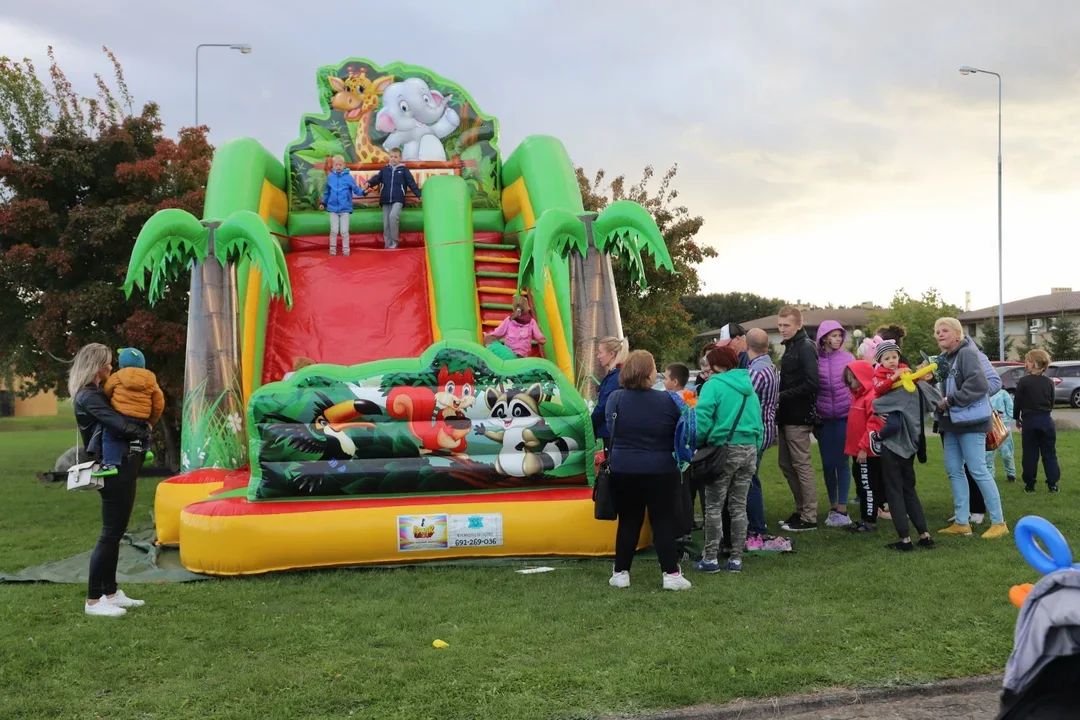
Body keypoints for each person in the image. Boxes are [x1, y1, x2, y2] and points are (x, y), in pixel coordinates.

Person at [70, 343, 151, 617]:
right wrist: (143, 430)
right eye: (107, 362)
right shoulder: (88, 396)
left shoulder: (97, 392)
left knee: (115, 533)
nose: (111, 367)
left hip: (122, 466)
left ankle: (110, 592)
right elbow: (116, 423)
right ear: (96, 366)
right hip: (112, 467)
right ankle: (93, 601)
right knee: (110, 534)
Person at [605, 350, 690, 591]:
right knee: (662, 521)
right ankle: (671, 574)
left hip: (623, 467)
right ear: (648, 373)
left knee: (628, 520)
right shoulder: (667, 400)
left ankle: (621, 572)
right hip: (660, 468)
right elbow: (679, 430)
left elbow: (611, 428)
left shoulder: (615, 398)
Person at [933, 318, 1009, 539]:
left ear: (958, 334)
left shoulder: (967, 354)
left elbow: (979, 385)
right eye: (937, 331)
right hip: (950, 423)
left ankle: (999, 522)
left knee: (978, 470)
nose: (939, 334)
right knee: (954, 470)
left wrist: (950, 400)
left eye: (944, 330)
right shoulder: (943, 359)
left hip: (971, 422)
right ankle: (961, 522)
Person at [693, 345, 763, 573]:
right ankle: (736, 558)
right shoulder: (748, 387)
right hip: (749, 450)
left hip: (723, 450)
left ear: (718, 365)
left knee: (713, 505)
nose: (708, 371)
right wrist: (755, 448)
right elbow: (759, 424)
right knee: (738, 506)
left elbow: (702, 418)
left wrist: (698, 442)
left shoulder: (713, 385)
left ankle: (711, 558)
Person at [870, 359, 941, 551]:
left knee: (894, 492)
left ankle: (905, 539)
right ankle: (924, 535)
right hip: (911, 446)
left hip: (894, 446)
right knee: (909, 490)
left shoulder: (903, 391)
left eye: (920, 366)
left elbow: (876, 403)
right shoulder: (923, 390)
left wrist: (879, 426)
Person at [744, 328, 791, 551]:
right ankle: (755, 525)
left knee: (750, 480)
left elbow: (743, 396)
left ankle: (756, 528)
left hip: (756, 431)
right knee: (752, 478)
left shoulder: (756, 371)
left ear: (747, 346)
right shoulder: (771, 367)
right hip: (767, 427)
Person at [776, 306, 820, 532]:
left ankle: (809, 516)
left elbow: (813, 383)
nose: (782, 329)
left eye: (787, 325)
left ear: (798, 325)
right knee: (785, 464)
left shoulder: (805, 346)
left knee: (801, 466)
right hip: (785, 415)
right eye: (780, 325)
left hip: (799, 416)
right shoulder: (791, 346)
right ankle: (801, 510)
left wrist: (780, 396)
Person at [94, 348, 163, 477]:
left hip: (122, 415)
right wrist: (151, 420)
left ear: (121, 364)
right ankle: (146, 449)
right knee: (142, 428)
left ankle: (110, 464)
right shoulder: (151, 380)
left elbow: (107, 392)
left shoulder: (116, 376)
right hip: (142, 416)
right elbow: (159, 403)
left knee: (110, 436)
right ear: (143, 364)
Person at [815, 320, 855, 527]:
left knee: (842, 463)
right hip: (823, 420)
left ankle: (842, 506)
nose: (838, 339)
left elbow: (857, 386)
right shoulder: (815, 361)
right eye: (833, 335)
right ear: (823, 338)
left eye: (840, 335)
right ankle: (832, 505)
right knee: (828, 464)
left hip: (844, 417)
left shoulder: (848, 358)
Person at [843, 361, 886, 533]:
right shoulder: (858, 396)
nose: (849, 383)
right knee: (862, 484)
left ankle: (869, 521)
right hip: (858, 452)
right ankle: (864, 519)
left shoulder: (871, 397)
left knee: (868, 486)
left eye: (852, 379)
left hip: (866, 453)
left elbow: (874, 426)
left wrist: (863, 447)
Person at [1013, 349, 1060, 493]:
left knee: (1030, 454)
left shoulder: (1024, 381)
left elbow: (1018, 402)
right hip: (1046, 420)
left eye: (1026, 361)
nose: (1025, 364)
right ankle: (1052, 484)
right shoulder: (1049, 382)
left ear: (1033, 363)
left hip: (1030, 421)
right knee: (1049, 453)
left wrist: (1017, 418)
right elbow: (1052, 402)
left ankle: (1030, 484)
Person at [362, 147, 422, 250]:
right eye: (391, 157)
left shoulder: (404, 170)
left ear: (400, 158)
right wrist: (369, 183)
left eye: (395, 157)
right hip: (385, 199)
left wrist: (418, 194)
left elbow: (411, 183)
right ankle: (387, 244)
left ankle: (395, 242)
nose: (393, 159)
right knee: (386, 223)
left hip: (398, 199)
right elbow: (377, 178)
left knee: (393, 216)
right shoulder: (385, 169)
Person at [319, 155, 364, 256]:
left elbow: (356, 189)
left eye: (340, 164)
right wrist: (323, 203)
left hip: (345, 209)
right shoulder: (330, 177)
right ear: (333, 166)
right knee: (334, 231)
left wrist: (364, 192)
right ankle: (332, 251)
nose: (338, 166)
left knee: (344, 231)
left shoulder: (348, 177)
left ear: (344, 165)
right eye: (336, 165)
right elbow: (327, 192)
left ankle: (346, 251)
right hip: (333, 208)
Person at [592, 337, 628, 454]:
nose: (598, 356)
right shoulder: (618, 375)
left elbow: (604, 405)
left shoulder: (614, 378)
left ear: (611, 354)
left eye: (601, 352)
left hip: (610, 432)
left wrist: (590, 423)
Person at [986, 386, 1017, 483]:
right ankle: (990, 476)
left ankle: (1011, 474)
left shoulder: (1003, 393)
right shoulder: (982, 393)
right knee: (988, 454)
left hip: (1003, 428)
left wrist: (1018, 421)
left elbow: (1011, 409)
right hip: (988, 428)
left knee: (1007, 453)